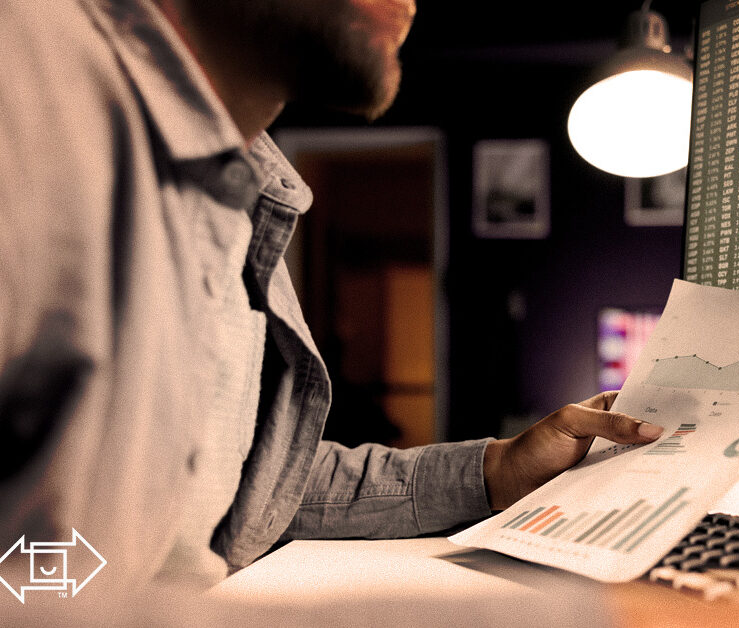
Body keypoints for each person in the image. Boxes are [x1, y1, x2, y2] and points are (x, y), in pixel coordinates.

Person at [0, 0, 664, 594]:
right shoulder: (26, 81)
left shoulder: (244, 195)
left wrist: (497, 470)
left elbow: (257, 487)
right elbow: (31, 575)